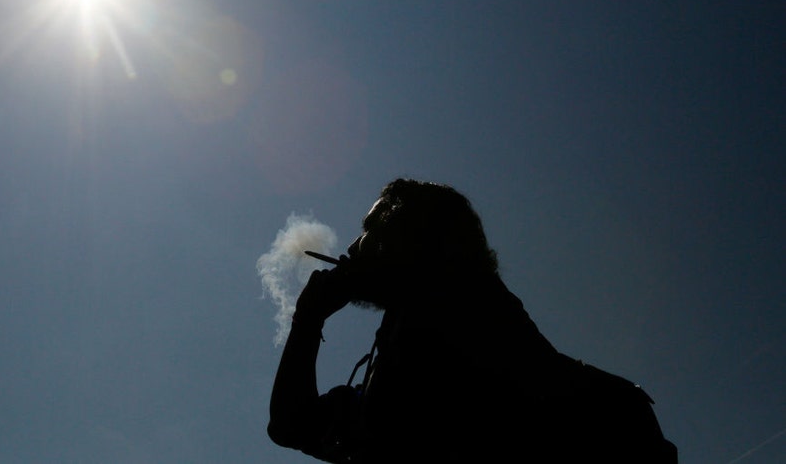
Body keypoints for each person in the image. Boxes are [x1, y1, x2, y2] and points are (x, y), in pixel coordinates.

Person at [267, 178, 676, 463]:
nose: (353, 247)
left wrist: (309, 319)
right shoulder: (406, 347)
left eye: (370, 228)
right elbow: (292, 426)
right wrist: (308, 318)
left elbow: (300, 426)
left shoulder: (457, 323)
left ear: (412, 236)